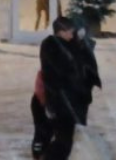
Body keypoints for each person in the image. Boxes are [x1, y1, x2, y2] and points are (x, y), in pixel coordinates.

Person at [35, 17, 101, 159]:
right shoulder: (50, 45)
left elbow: (84, 63)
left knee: (69, 140)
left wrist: (83, 44)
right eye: (70, 32)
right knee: (64, 141)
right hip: (62, 101)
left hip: (75, 100)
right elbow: (58, 72)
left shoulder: (71, 44)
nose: (72, 35)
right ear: (60, 32)